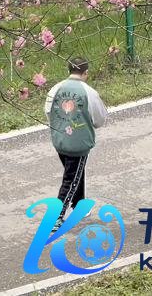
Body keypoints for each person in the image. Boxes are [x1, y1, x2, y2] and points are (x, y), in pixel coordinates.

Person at [44, 57, 108, 232]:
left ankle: (79, 204)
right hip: (79, 143)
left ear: (68, 70)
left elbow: (48, 112)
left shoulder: (55, 89)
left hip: (59, 140)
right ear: (86, 72)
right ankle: (56, 217)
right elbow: (99, 118)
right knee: (71, 179)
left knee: (75, 172)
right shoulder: (89, 92)